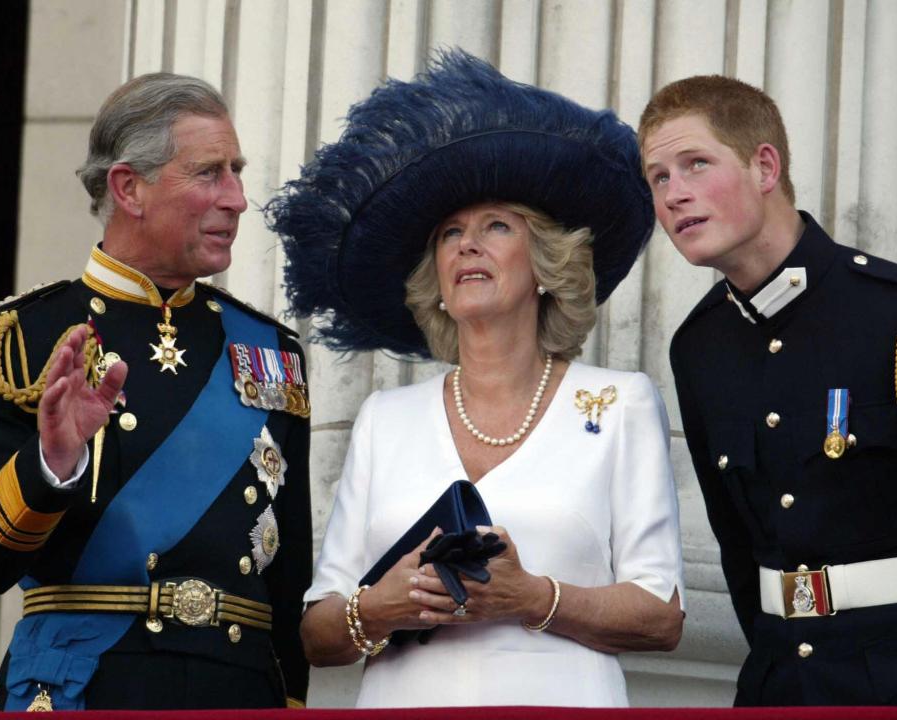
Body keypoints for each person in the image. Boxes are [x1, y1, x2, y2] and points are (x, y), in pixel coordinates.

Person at [266, 50, 684, 708]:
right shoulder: (387, 417)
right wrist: (381, 608)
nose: (467, 244)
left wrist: (532, 599)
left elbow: (660, 615)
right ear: (434, 283)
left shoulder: (618, 403)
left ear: (545, 262)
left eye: (496, 226)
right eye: (450, 234)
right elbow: (319, 631)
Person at [0, 73, 312, 711]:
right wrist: (51, 466)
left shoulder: (271, 351)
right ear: (129, 188)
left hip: (236, 689)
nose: (237, 198)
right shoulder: (19, 340)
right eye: (210, 173)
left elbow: (289, 580)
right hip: (84, 686)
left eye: (236, 171)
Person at [639, 75, 897, 706]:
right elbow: (738, 549)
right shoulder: (699, 345)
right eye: (658, 178)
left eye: (695, 164)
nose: (674, 195)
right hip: (778, 685)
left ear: (764, 166)